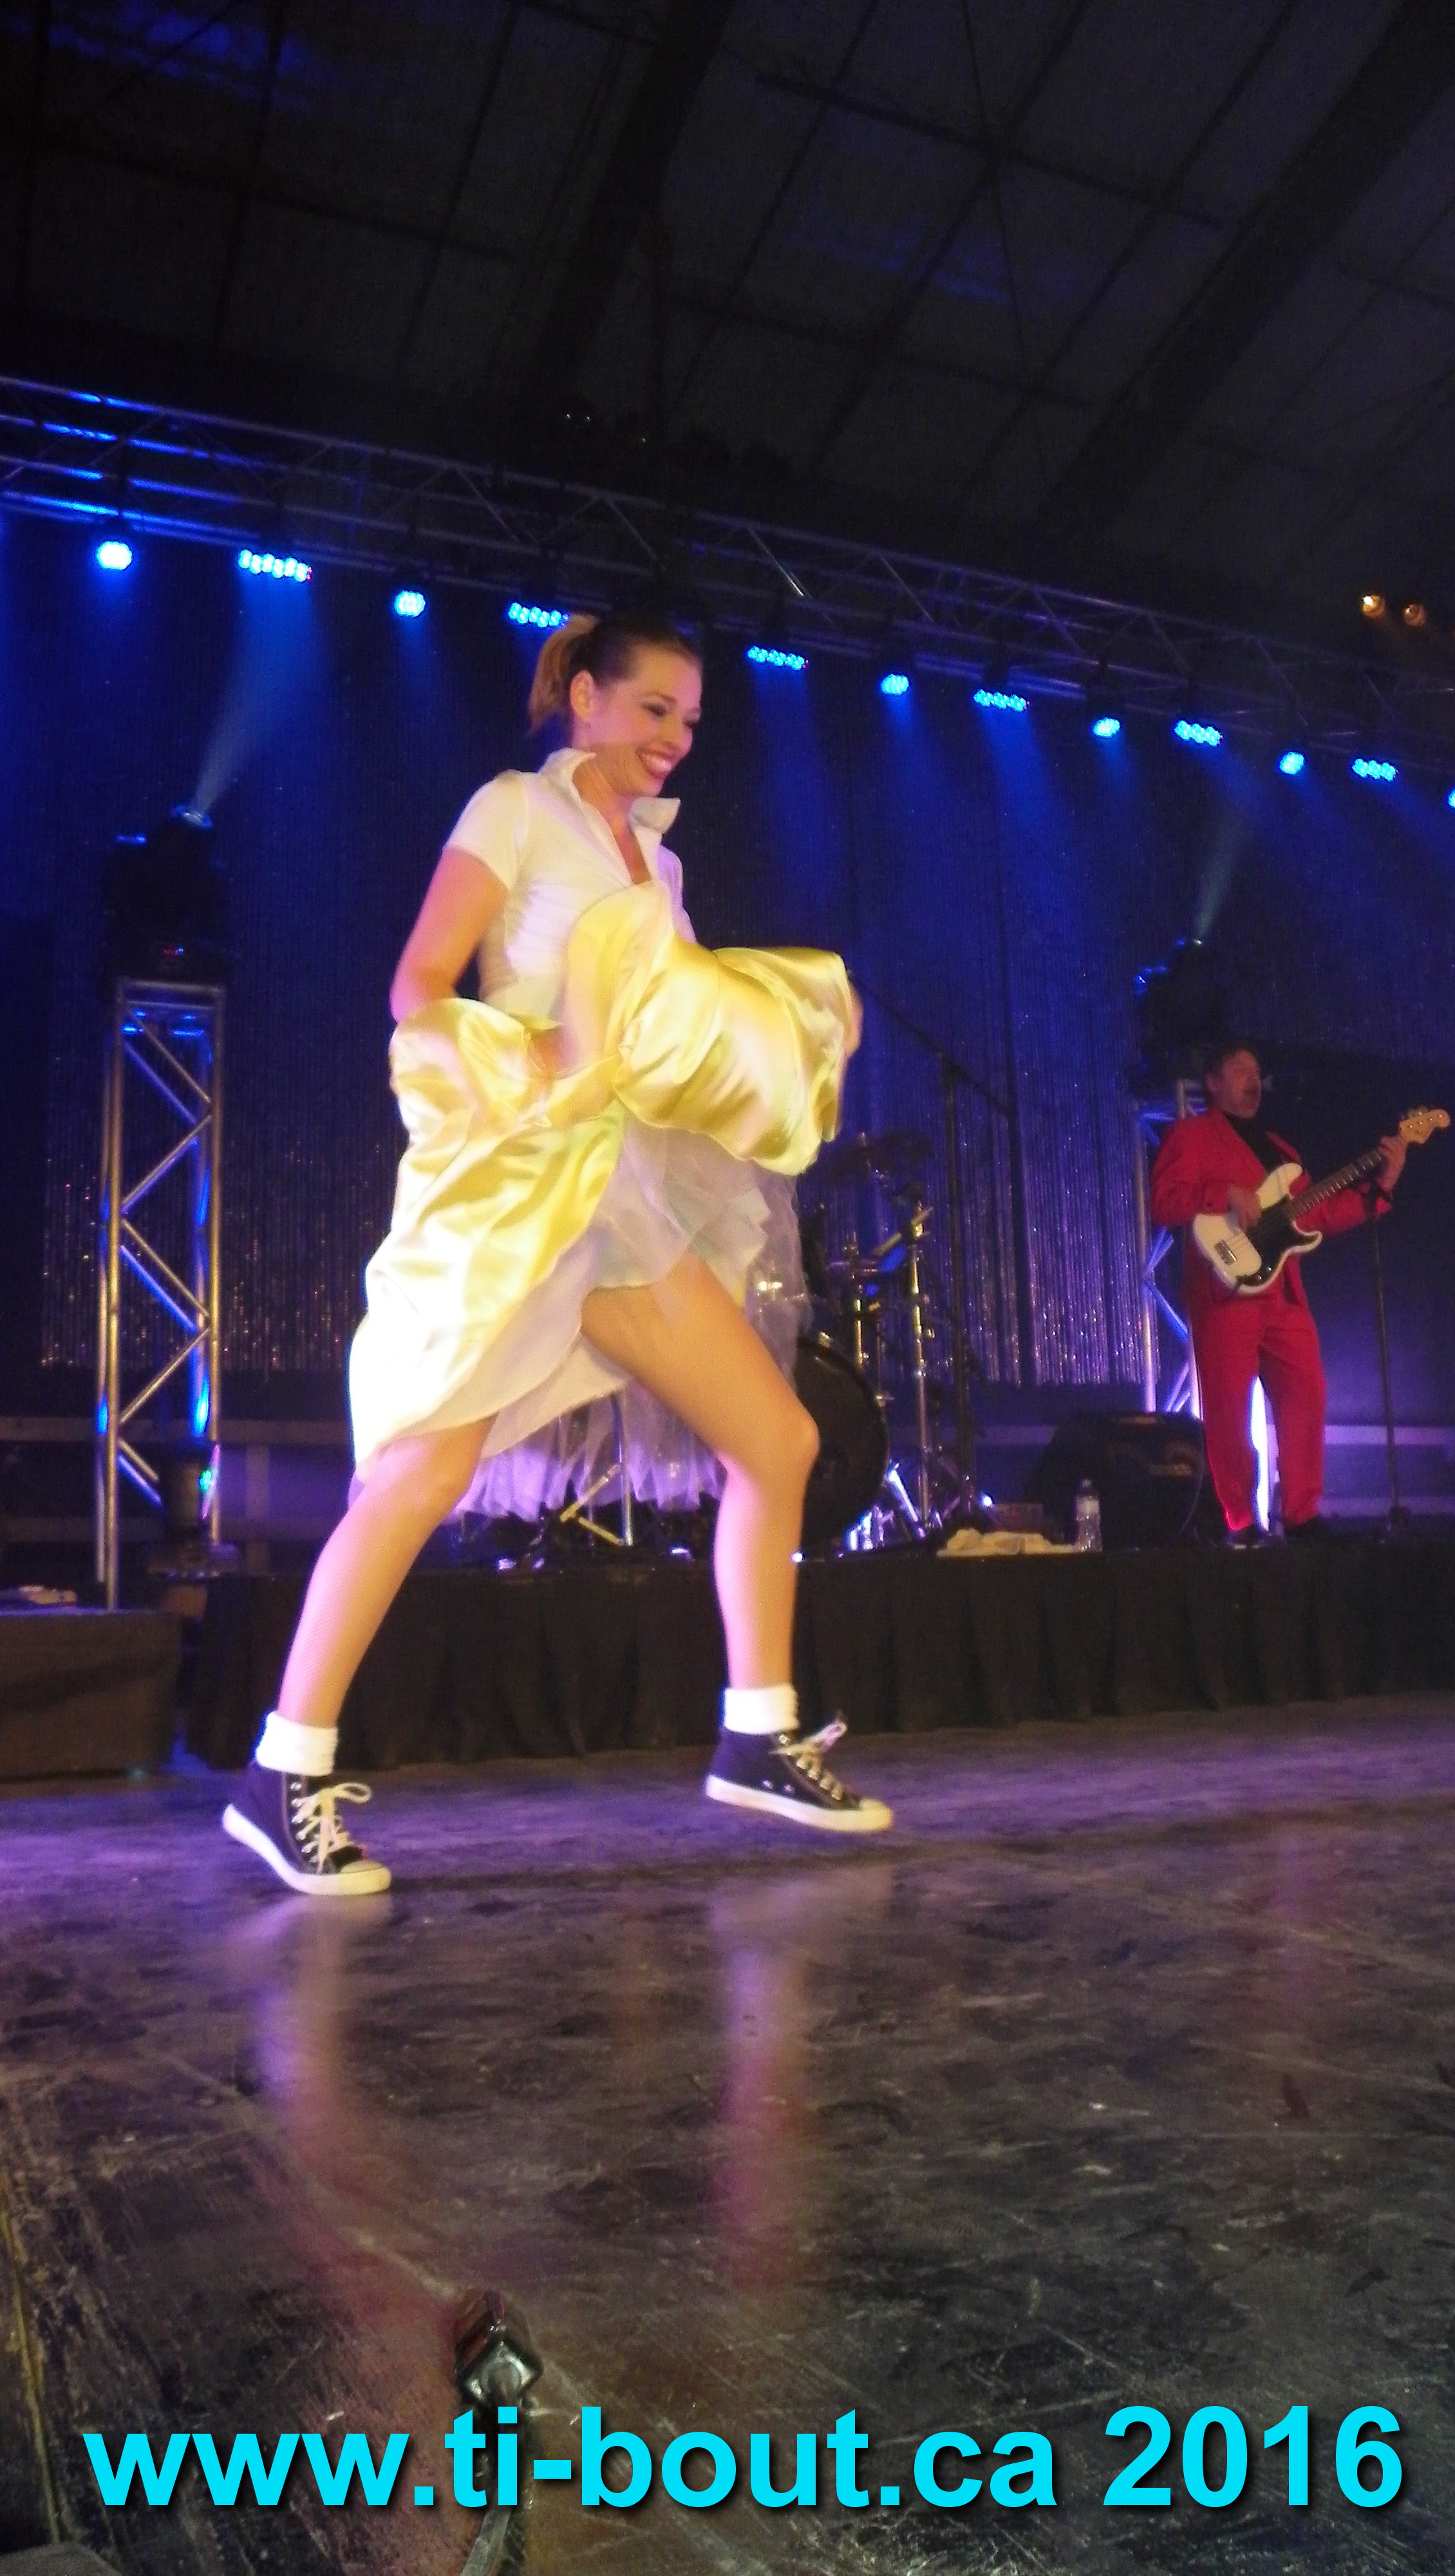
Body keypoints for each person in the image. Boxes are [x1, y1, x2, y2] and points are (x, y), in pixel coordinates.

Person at [222, 602, 892, 1893]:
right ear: (585, 697)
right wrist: (528, 1052)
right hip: (523, 1188)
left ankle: (758, 1735)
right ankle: (281, 1771)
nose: (675, 738)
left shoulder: (657, 866)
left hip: (623, 1208)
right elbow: (418, 986)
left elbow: (681, 1032)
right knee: (416, 1474)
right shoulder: (513, 812)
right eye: (654, 709)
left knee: (779, 1441)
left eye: (691, 720)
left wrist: (801, 1023)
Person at [1148, 1037, 1407, 1542]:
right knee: (1228, 1410)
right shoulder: (1191, 1136)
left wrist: (1383, 1186)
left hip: (1284, 1295)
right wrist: (1222, 1194)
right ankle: (1242, 1521)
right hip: (1225, 1295)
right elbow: (1165, 1201)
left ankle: (1302, 1513)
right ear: (1213, 1083)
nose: (1253, 1079)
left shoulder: (1282, 1152)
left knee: (1307, 1392)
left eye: (1256, 1071)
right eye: (1240, 1070)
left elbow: (1319, 1215)